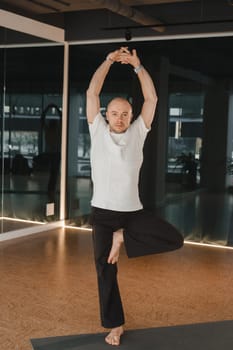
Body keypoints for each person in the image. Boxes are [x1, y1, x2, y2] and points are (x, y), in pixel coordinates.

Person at [86, 47, 183, 346]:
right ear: (106, 114)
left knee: (174, 239)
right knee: (105, 272)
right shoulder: (97, 131)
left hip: (132, 214)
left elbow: (151, 99)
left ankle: (122, 237)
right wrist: (108, 61)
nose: (119, 118)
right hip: (102, 214)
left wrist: (138, 67)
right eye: (114, 113)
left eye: (124, 114)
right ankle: (115, 325)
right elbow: (92, 92)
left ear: (130, 116)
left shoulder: (138, 131)